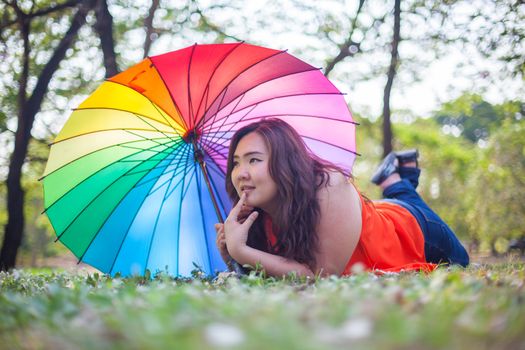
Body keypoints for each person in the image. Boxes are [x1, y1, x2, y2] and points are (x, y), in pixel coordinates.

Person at [215, 118, 469, 277]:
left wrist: (242, 250)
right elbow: (272, 272)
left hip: (413, 229)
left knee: (461, 261)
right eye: (236, 163)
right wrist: (233, 256)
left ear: (285, 163)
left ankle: (395, 181)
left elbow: (320, 275)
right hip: (362, 218)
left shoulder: (329, 185)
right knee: (386, 205)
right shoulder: (254, 213)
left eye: (254, 160)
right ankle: (398, 178)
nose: (240, 173)